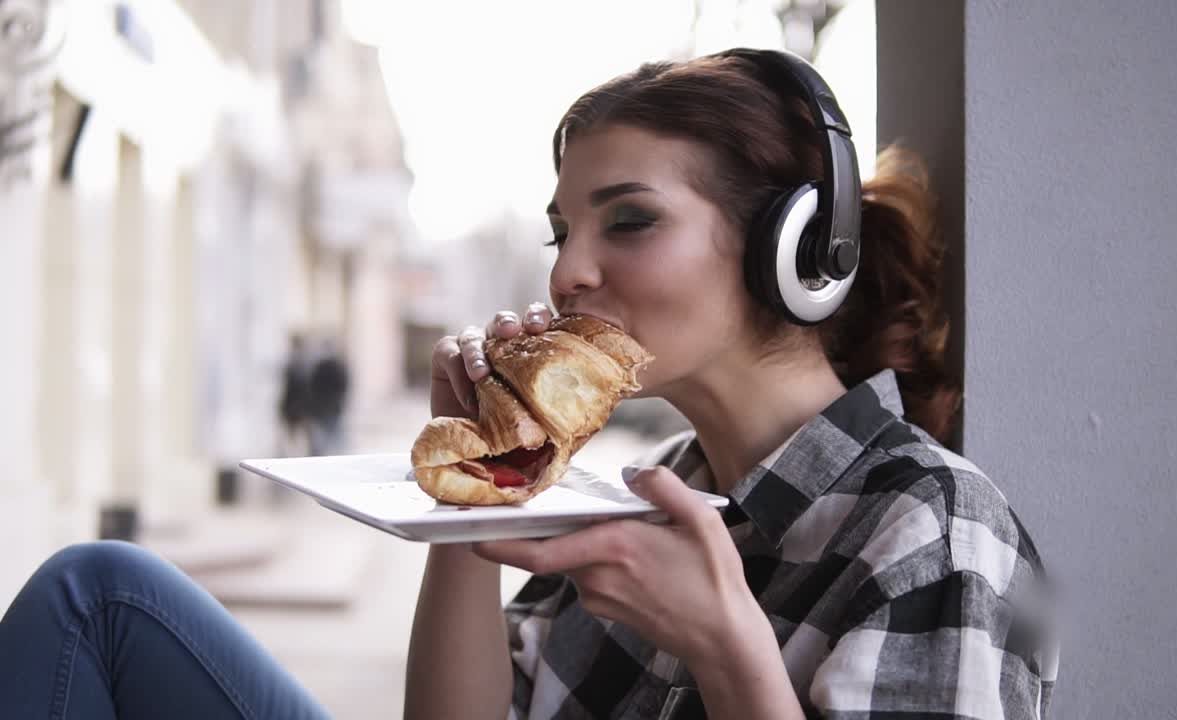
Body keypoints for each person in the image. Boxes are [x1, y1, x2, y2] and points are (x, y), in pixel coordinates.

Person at [0, 49, 1056, 719]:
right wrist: (471, 493)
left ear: (789, 250)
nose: (567, 273)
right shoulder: (645, 485)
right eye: (564, 233)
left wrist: (726, 647)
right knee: (101, 598)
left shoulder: (928, 526)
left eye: (627, 220)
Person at [305, 338, 350, 456]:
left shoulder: (321, 367)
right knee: (332, 437)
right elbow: (344, 386)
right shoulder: (338, 366)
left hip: (322, 408)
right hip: (332, 407)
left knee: (323, 438)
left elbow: (312, 386)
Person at [278, 332, 312, 456]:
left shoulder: (296, 363)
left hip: (295, 406)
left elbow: (292, 387)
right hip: (298, 406)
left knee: (296, 436)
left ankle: (295, 455)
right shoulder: (304, 361)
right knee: (296, 436)